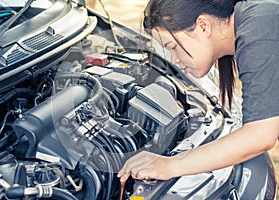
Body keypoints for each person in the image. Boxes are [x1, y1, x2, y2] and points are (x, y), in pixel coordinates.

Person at [117, 0, 279, 182]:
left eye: (173, 47)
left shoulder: (259, 28)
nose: (175, 60)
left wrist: (170, 165)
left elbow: (260, 135)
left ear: (203, 26)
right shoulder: (250, 21)